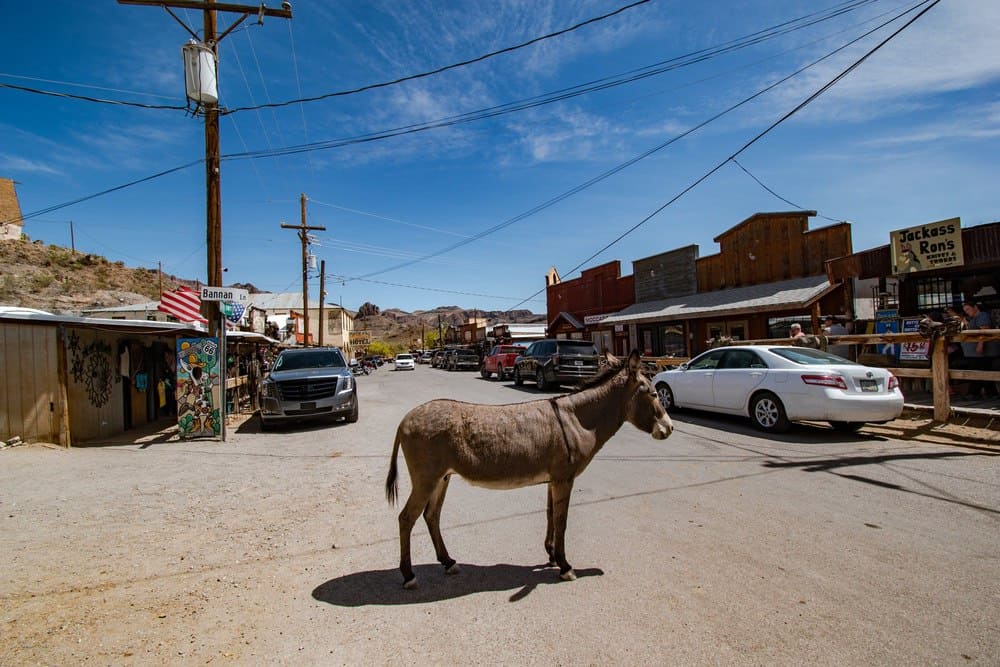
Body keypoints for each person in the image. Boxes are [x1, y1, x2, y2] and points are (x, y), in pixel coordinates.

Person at [958, 301, 997, 398]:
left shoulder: (982, 316)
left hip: (984, 352)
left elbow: (984, 331)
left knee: (978, 371)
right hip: (976, 353)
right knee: (983, 371)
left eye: (968, 309)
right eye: (965, 310)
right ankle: (992, 393)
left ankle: (974, 393)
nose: (967, 312)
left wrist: (980, 345)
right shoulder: (974, 318)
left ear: (975, 307)